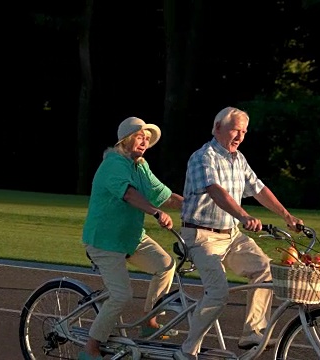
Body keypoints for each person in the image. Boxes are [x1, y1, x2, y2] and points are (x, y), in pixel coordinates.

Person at [174, 107, 304, 360]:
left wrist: (286, 216)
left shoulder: (238, 158)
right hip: (201, 236)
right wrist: (244, 216)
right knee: (218, 293)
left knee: (265, 270)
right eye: (236, 129)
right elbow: (215, 191)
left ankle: (253, 333)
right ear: (217, 127)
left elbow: (258, 188)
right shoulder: (203, 157)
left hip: (231, 235)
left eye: (244, 131)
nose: (240, 136)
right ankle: (187, 350)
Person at [80, 117, 183, 360]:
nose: (144, 141)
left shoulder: (141, 166)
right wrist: (155, 212)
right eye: (140, 136)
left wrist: (197, 207)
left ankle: (150, 321)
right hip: (104, 241)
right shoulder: (114, 164)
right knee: (121, 295)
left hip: (131, 238)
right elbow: (128, 194)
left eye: (147, 138)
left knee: (166, 266)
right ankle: (90, 348)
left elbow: (164, 196)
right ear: (125, 140)